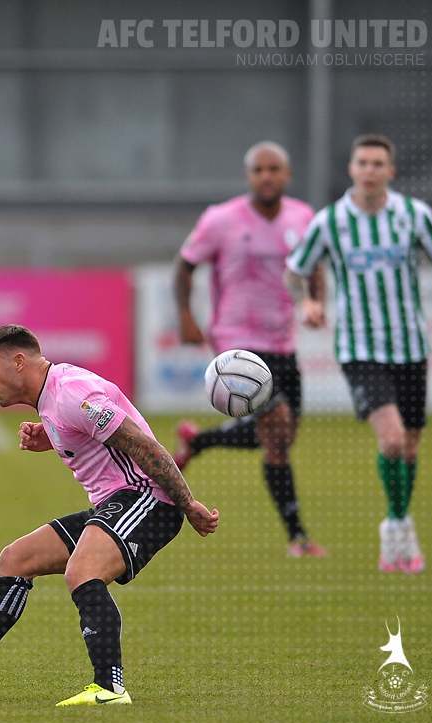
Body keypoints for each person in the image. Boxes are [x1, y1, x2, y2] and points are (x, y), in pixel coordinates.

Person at [0, 325, 219, 707]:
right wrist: (50, 437)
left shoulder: (71, 395)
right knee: (16, 559)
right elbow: (88, 431)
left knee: (82, 572)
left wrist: (187, 502)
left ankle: (111, 689)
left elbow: (143, 445)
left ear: (18, 361)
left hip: (149, 499)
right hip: (118, 502)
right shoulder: (53, 396)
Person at [285, 133, 432, 574]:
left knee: (410, 448)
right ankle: (397, 527)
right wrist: (308, 300)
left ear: (390, 171)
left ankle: (398, 522)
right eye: (363, 163)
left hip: (410, 346)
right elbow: (295, 271)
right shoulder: (331, 221)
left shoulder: (414, 215)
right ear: (352, 169)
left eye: (378, 164)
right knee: (391, 439)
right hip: (359, 348)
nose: (370, 170)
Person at [171, 141, 327, 558]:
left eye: (274, 169)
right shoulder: (221, 219)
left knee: (279, 441)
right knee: (275, 424)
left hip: (283, 340)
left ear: (287, 175)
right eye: (259, 170)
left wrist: (316, 303)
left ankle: (199, 442)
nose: (267, 176)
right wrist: (186, 315)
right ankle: (298, 539)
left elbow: (313, 266)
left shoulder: (303, 217)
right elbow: (185, 265)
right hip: (238, 343)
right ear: (249, 177)